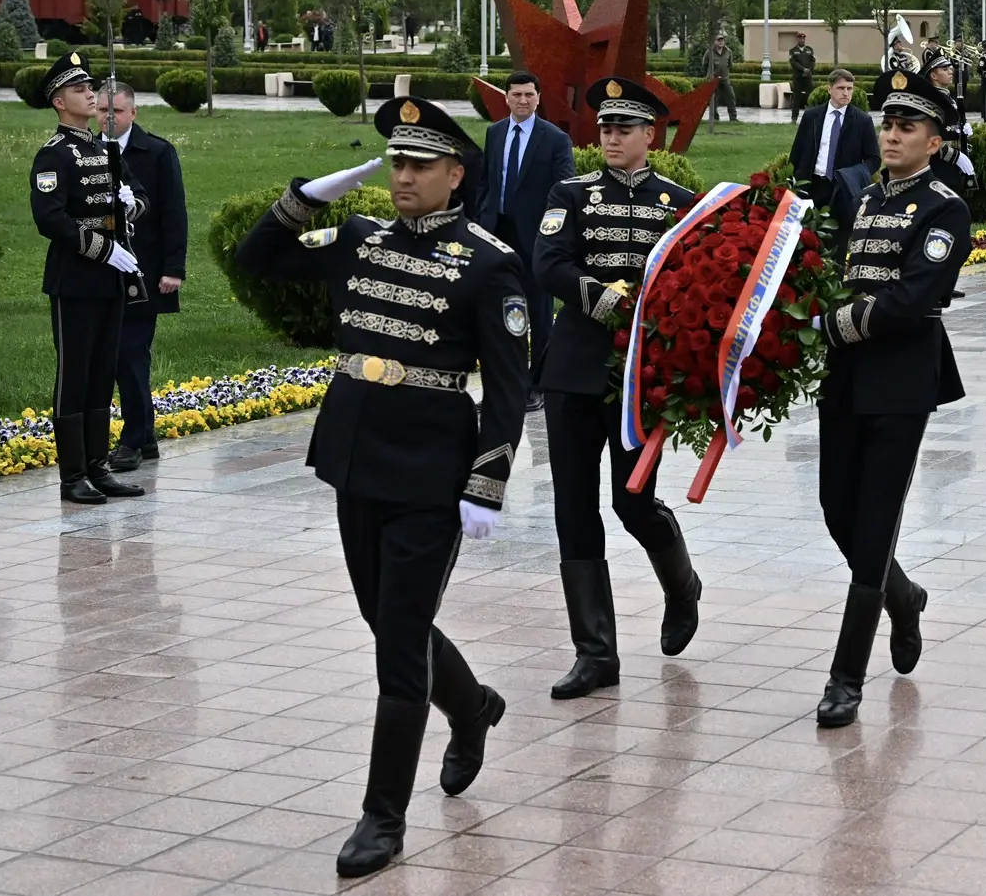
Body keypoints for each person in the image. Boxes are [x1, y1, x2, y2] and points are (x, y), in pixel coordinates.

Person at [236, 97, 525, 878]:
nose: (402, 176)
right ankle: (473, 706)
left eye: (419, 164)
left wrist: (487, 479)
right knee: (386, 618)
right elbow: (258, 257)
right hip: (354, 458)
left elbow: (508, 386)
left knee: (398, 640)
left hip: (431, 473)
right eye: (396, 162)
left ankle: (382, 816)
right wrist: (306, 197)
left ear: (455, 174)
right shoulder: (358, 238)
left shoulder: (489, 262)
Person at [812, 81, 971, 729]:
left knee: (876, 520)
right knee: (836, 507)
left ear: (934, 142)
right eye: (888, 124)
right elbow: (841, 273)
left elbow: (911, 299)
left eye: (908, 126)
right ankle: (903, 596)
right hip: (846, 376)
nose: (893, 134)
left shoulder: (945, 208)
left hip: (901, 379)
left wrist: (830, 325)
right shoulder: (866, 198)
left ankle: (845, 678)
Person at [535, 78, 701, 698]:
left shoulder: (678, 202)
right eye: (605, 127)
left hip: (640, 378)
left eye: (623, 129)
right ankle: (595, 653)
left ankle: (681, 585)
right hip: (574, 369)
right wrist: (603, 299)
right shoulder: (571, 193)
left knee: (632, 502)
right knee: (574, 507)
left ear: (649, 135)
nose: (610, 137)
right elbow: (549, 262)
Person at [29, 53, 147, 504]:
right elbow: (50, 218)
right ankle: (73, 475)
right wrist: (103, 249)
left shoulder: (104, 149)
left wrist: (130, 205)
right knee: (74, 375)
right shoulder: (54, 154)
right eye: (79, 90)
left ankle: (99, 467)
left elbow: (139, 198)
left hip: (110, 281)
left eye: (90, 88)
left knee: (102, 374)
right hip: (76, 280)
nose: (90, 94)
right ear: (60, 102)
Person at [97, 81, 186, 473]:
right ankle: (146, 437)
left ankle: (132, 440)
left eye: (116, 111)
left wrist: (173, 269)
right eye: (103, 110)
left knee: (131, 355)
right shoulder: (86, 151)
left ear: (133, 113)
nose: (108, 118)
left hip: (144, 273)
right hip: (99, 272)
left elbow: (173, 212)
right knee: (113, 356)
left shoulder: (157, 152)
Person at [477, 71, 575, 408]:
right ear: (506, 97)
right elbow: (486, 181)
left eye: (529, 94)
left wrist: (552, 235)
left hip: (536, 238)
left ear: (538, 97)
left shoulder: (555, 139)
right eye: (516, 94)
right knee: (498, 312)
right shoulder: (495, 133)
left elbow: (564, 191)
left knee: (539, 313)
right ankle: (503, 385)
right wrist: (481, 217)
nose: (523, 100)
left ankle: (537, 385)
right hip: (497, 234)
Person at [790, 69, 880, 209]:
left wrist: (852, 175)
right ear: (829, 89)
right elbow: (797, 152)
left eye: (849, 88)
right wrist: (792, 182)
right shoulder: (811, 116)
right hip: (812, 185)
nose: (846, 93)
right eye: (841, 88)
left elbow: (874, 160)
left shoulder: (863, 121)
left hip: (844, 189)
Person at [921, 55, 977, 196]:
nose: (951, 72)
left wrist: (961, 130)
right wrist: (956, 156)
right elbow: (928, 137)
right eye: (945, 69)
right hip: (938, 164)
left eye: (949, 68)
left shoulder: (945, 96)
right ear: (933, 75)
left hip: (949, 166)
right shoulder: (933, 100)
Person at [707, 30, 739, 122]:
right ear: (715, 42)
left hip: (725, 79)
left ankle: (733, 118)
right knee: (713, 99)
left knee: (731, 97)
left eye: (722, 40)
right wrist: (710, 75)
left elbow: (730, 65)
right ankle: (714, 118)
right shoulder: (710, 52)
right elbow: (704, 64)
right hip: (713, 79)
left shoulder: (728, 52)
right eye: (719, 40)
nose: (721, 42)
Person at [788, 32, 817, 111]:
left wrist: (809, 70)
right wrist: (803, 69)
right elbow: (793, 62)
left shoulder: (809, 50)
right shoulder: (793, 51)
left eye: (803, 38)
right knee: (796, 97)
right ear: (797, 39)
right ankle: (794, 116)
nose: (802, 40)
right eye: (800, 38)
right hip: (798, 77)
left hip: (807, 76)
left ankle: (811, 114)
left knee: (810, 96)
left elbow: (813, 61)